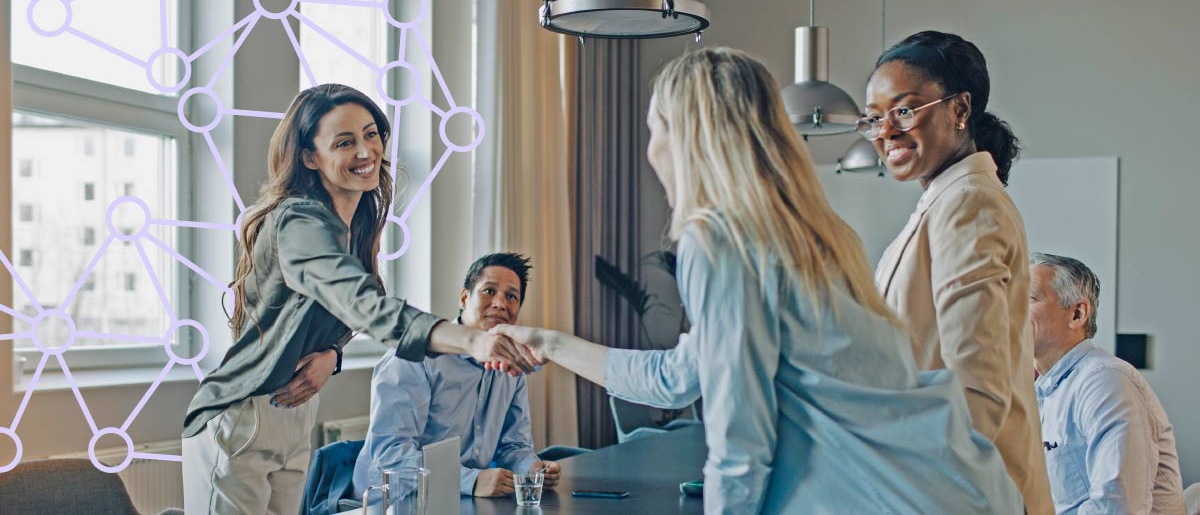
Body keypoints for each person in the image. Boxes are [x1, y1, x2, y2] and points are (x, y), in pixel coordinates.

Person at [491, 48, 1022, 514]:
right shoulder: (816, 235)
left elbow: (740, 441)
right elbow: (679, 374)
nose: (650, 150)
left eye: (655, 130)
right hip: (953, 485)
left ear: (688, 137)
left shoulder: (718, 241)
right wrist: (547, 342)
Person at [181, 84, 536, 515]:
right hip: (244, 414)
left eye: (372, 135)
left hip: (293, 414)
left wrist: (331, 352)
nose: (366, 150)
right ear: (310, 157)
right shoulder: (297, 220)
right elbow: (359, 301)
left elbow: (328, 310)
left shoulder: (353, 227)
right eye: (345, 142)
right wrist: (470, 340)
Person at [865, 31, 1053, 514]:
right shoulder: (945, 201)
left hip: (963, 495)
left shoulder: (967, 202)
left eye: (904, 110)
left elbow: (977, 394)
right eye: (875, 117)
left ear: (960, 110)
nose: (885, 130)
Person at [351, 252, 561, 500]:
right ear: (464, 298)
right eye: (489, 291)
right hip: (394, 500)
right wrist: (471, 481)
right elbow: (391, 455)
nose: (500, 303)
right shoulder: (415, 356)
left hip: (460, 499)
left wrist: (532, 469)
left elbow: (513, 445)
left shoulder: (512, 368)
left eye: (511, 296)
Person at [1029, 253, 1184, 514]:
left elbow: (1116, 508)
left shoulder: (1104, 380)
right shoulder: (1046, 390)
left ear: (1078, 313)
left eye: (1028, 299)